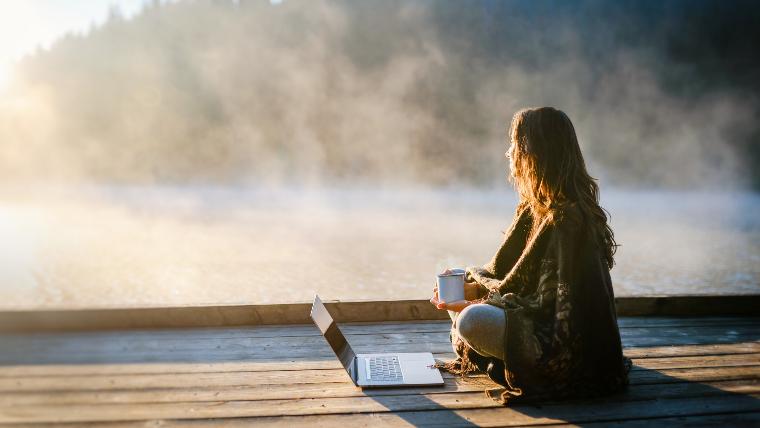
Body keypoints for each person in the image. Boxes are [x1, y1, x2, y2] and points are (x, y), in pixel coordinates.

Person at [430, 106, 630, 404]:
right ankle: (496, 357)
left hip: (565, 347)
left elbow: (551, 308)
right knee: (457, 281)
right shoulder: (532, 209)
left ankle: (502, 360)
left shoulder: (567, 220)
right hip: (530, 315)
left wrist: (472, 304)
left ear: (535, 152)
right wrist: (469, 291)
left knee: (472, 320)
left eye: (515, 144)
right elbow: (509, 281)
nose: (509, 153)